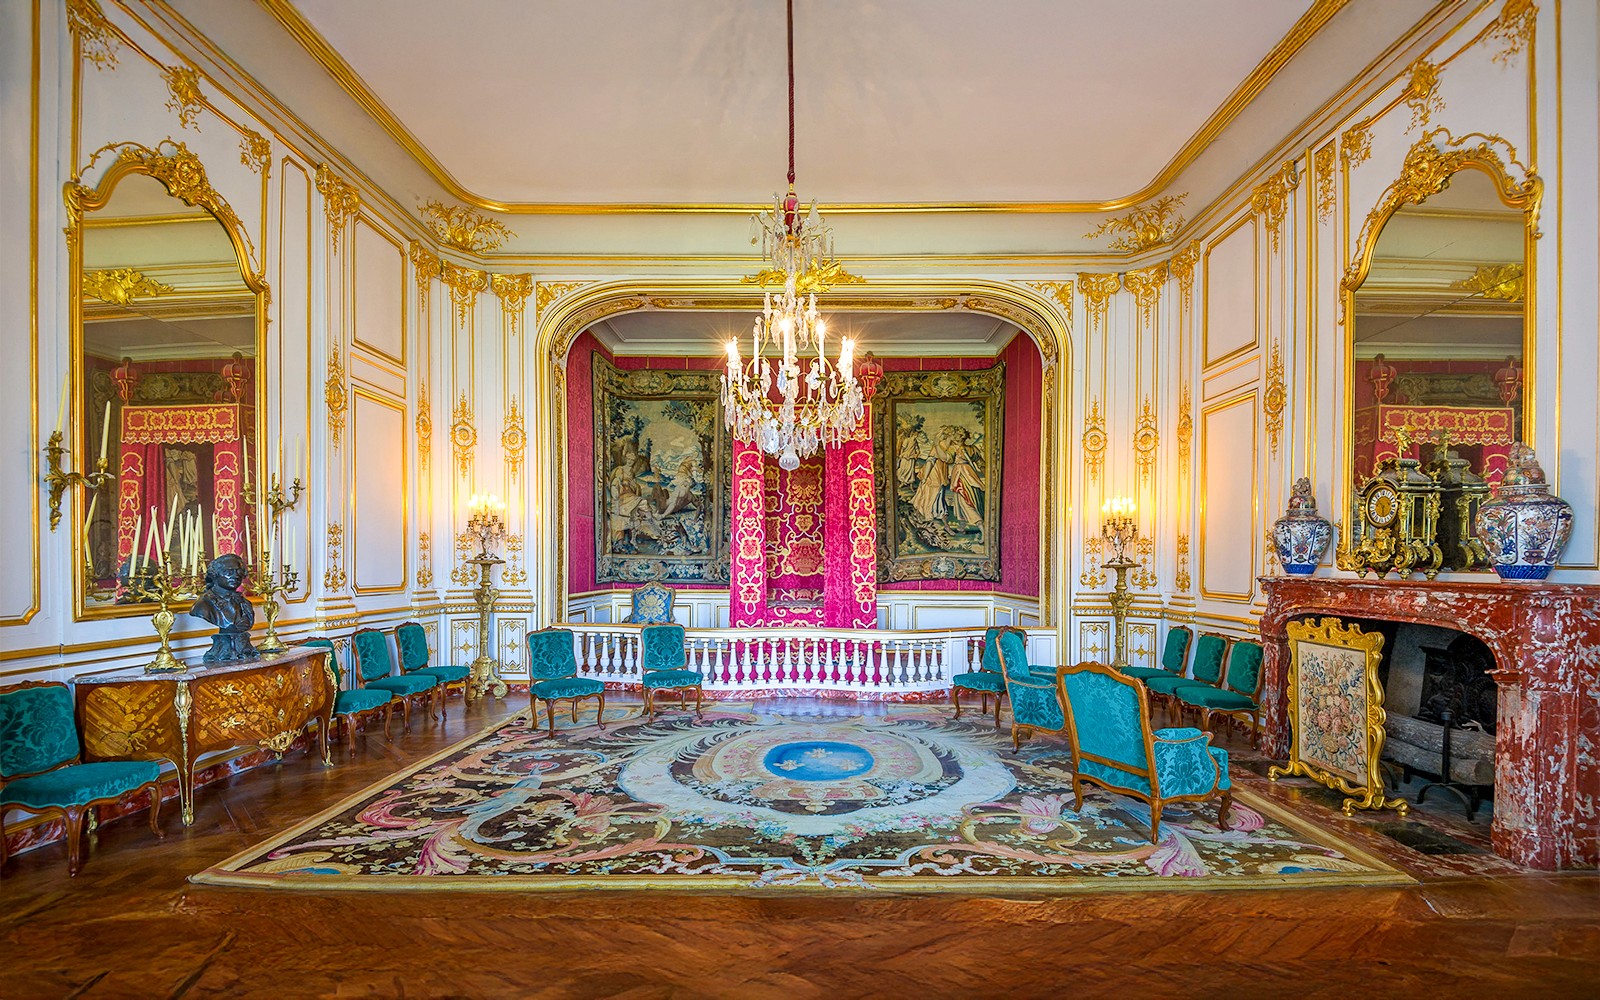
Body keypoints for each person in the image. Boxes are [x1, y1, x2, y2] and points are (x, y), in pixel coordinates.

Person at [190, 553, 256, 662]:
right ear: (215, 575)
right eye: (228, 572)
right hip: (221, 655)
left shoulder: (246, 604)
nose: (235, 576)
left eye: (238, 572)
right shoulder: (203, 605)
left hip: (244, 652)